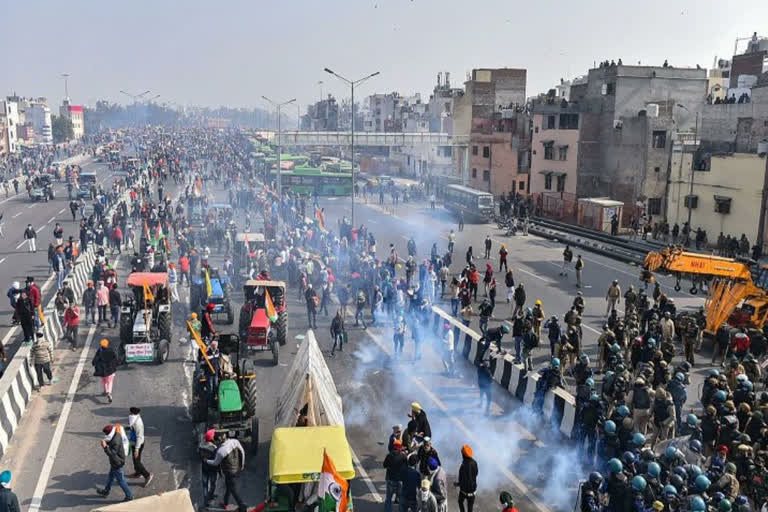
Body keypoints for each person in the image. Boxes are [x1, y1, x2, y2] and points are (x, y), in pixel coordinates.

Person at [205, 435, 247, 512]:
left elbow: (215, 463)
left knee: (233, 489)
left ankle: (242, 506)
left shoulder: (221, 451)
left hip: (229, 472)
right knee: (229, 486)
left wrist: (206, 461)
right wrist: (242, 465)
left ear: (218, 441)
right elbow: (242, 452)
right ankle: (225, 502)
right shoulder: (234, 441)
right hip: (236, 468)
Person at [96, 424, 134, 501]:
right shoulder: (117, 434)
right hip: (116, 462)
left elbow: (112, 454)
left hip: (117, 463)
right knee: (110, 477)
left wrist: (105, 447)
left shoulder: (115, 442)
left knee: (121, 481)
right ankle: (106, 491)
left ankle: (129, 496)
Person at [127, 407, 152, 487]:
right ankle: (138, 473)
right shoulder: (134, 419)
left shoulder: (137, 423)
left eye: (130, 412)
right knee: (135, 460)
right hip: (134, 443)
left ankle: (147, 475)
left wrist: (137, 449)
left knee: (137, 462)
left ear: (132, 413)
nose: (129, 413)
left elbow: (139, 437)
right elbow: (132, 427)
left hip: (138, 444)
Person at [383, 440, 407, 512]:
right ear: (400, 447)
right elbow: (406, 468)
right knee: (401, 498)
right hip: (400, 480)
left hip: (390, 479)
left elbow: (384, 465)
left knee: (389, 498)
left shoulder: (389, 455)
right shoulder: (403, 456)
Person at [92, 338, 118, 403]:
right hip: (110, 370)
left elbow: (95, 359)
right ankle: (109, 392)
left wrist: (93, 363)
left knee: (104, 381)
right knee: (110, 382)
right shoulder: (111, 350)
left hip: (103, 370)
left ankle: (105, 391)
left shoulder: (100, 350)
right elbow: (115, 358)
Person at [199, 429, 218, 507]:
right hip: (212, 469)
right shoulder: (214, 447)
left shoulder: (201, 445)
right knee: (213, 483)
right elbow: (216, 459)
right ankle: (211, 495)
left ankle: (206, 500)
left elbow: (199, 456)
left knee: (205, 485)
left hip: (204, 468)